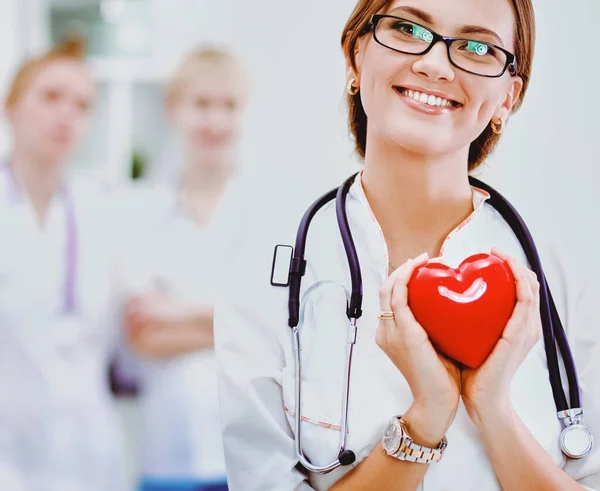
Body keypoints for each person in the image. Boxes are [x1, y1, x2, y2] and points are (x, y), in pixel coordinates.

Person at [215, 0, 600, 490]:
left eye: (478, 47)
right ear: (356, 55)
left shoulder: (572, 274)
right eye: (406, 27)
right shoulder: (266, 273)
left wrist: (493, 410)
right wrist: (425, 419)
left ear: (508, 96)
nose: (435, 64)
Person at [0, 37, 127, 490]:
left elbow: (132, 324)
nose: (67, 114)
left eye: (82, 104)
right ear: (11, 106)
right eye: (51, 96)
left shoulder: (102, 212)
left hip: (89, 454)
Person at [122, 46, 248, 491]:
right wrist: (236, 319)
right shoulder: (141, 214)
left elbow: (275, 328)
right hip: (168, 456)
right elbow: (143, 334)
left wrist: (177, 313)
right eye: (201, 104)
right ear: (174, 109)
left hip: (249, 459)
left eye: (228, 106)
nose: (215, 121)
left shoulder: (265, 216)